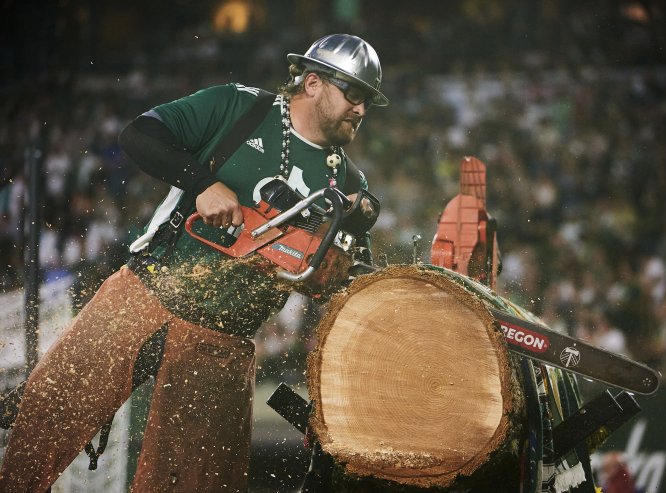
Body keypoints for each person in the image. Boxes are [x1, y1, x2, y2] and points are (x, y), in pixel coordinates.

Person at [0, 33, 388, 492]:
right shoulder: (238, 108)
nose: (362, 110)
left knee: (198, 486)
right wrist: (202, 183)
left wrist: (336, 275)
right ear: (313, 83)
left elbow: (350, 282)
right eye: (354, 95)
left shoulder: (348, 184)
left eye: (366, 101)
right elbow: (140, 134)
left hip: (222, 344)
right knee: (38, 433)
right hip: (142, 297)